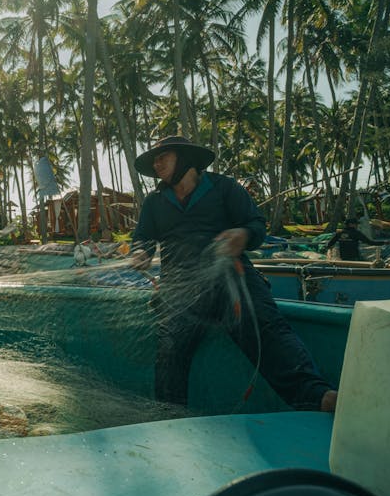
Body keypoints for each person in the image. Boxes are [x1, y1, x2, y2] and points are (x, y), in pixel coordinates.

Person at [129, 135, 337, 412]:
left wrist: (243, 234)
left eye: (162, 157)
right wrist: (140, 253)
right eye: (154, 160)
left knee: (265, 326)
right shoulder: (155, 201)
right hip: (180, 289)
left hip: (232, 277)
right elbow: (142, 238)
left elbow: (256, 225)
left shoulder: (223, 187)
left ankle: (317, 396)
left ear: (186, 158)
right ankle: (170, 415)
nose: (156, 164)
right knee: (170, 348)